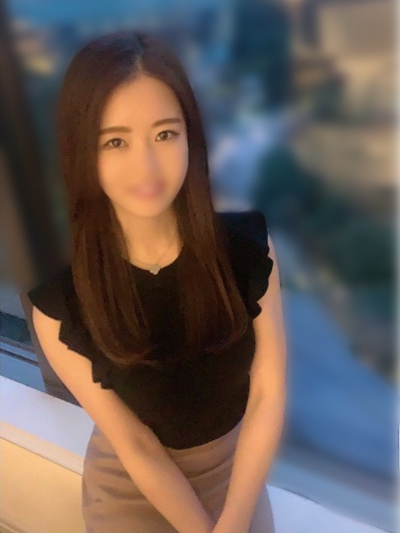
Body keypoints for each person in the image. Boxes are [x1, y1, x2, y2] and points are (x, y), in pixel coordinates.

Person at [27, 30, 286, 533]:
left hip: (236, 478)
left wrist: (234, 520)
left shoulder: (247, 248)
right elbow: (134, 443)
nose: (145, 166)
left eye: (165, 135)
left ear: (191, 137)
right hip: (134, 489)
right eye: (116, 142)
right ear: (83, 151)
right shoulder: (61, 299)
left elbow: (268, 393)